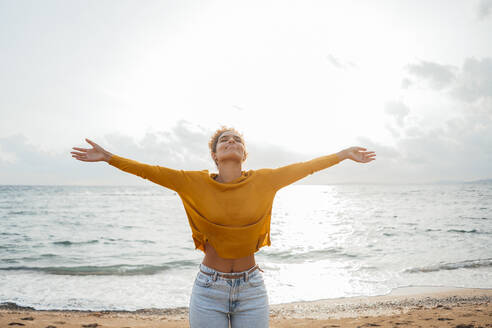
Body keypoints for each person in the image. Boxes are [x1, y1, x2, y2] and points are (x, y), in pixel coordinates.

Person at [70, 126, 376, 328]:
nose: (231, 142)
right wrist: (109, 158)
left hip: (252, 288)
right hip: (208, 289)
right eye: (223, 140)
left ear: (244, 154)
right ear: (215, 155)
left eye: (237, 140)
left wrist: (343, 155)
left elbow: (305, 168)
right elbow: (150, 172)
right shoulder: (191, 182)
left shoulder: (265, 180)